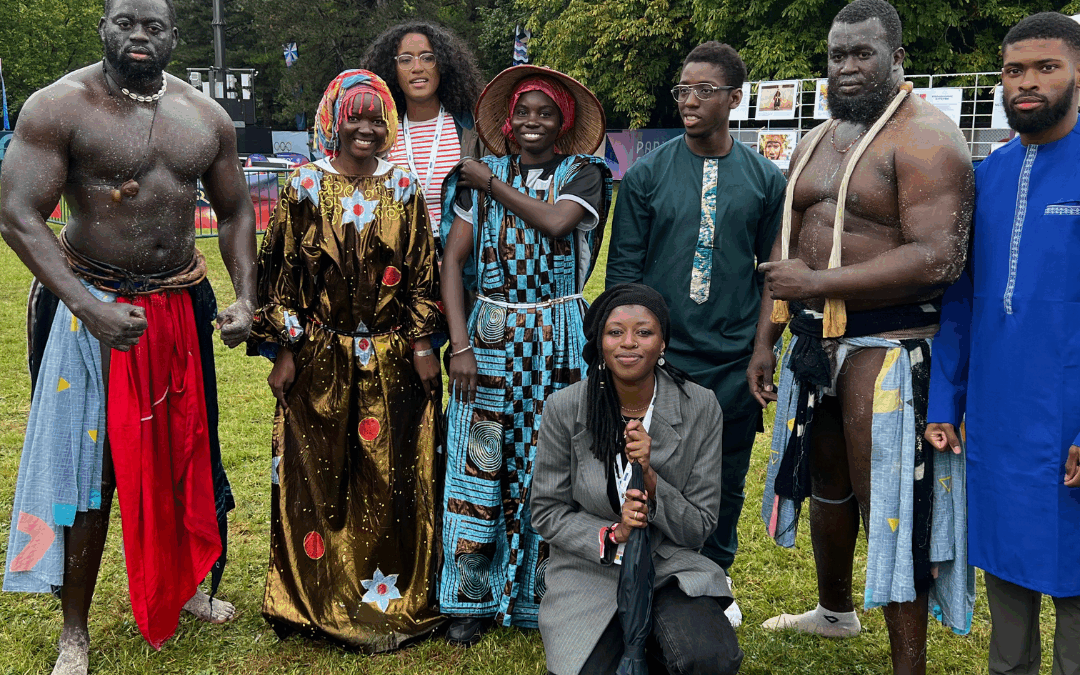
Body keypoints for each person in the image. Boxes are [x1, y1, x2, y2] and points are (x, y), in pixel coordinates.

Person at [0, 0, 256, 672]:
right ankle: (74, 631)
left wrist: (245, 297)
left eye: (153, 26)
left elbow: (235, 211)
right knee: (90, 470)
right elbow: (18, 214)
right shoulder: (59, 106)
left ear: (174, 37)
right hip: (88, 307)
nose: (139, 35)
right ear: (104, 28)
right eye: (125, 23)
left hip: (177, 301)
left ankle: (188, 586)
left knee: (185, 450)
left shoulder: (205, 116)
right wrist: (88, 306)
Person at [749, 1, 974, 673]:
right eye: (836, 55)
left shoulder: (927, 137)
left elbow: (939, 256)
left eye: (862, 54)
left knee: (891, 500)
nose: (845, 67)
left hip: (890, 341)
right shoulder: (819, 138)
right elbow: (785, 247)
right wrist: (767, 338)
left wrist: (820, 284)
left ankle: (909, 664)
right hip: (813, 340)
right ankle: (834, 612)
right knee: (825, 478)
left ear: (897, 58)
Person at [247, 69, 444, 652]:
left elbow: (422, 273)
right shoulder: (303, 185)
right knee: (319, 476)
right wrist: (285, 350)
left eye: (376, 118)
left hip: (392, 358)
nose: (365, 128)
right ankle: (312, 597)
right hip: (319, 356)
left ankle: (386, 597)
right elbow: (280, 274)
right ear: (333, 120)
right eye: (354, 117)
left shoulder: (404, 187)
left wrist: (422, 345)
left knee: (389, 478)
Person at [605, 41, 786, 627]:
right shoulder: (647, 175)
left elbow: (773, 274)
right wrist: (632, 352)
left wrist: (763, 347)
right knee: (651, 466)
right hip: (662, 357)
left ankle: (715, 577)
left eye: (705, 90)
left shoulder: (765, 179)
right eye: (683, 90)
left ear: (735, 99)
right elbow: (624, 274)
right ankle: (648, 571)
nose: (689, 100)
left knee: (725, 474)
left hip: (734, 357)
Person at [925, 12, 1080, 675]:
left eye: (1047, 67)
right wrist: (944, 400)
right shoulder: (987, 175)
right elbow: (961, 301)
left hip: (1069, 418)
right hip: (997, 420)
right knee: (1008, 584)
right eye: (1014, 70)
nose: (1027, 83)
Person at [438, 65, 612, 645]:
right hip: (489, 334)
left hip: (558, 335)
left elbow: (558, 223)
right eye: (523, 112)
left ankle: (547, 595)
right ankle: (472, 598)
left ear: (563, 121)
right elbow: (453, 262)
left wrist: (490, 183)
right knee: (479, 463)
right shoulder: (479, 179)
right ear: (508, 122)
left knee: (553, 463)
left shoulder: (583, 174)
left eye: (546, 112)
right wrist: (460, 344)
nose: (533, 121)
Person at [531, 284, 742, 675]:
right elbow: (547, 511)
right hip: (590, 570)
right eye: (615, 332)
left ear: (663, 343)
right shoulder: (565, 408)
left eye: (644, 332)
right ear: (600, 343)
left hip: (669, 565)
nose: (628, 343)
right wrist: (614, 535)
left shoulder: (700, 406)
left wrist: (650, 476)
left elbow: (699, 526)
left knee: (708, 660)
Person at [362, 20, 484, 246]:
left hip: (464, 261)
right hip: (400, 260)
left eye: (427, 58)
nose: (417, 67)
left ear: (443, 65)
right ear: (392, 69)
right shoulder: (380, 133)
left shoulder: (473, 128)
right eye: (405, 60)